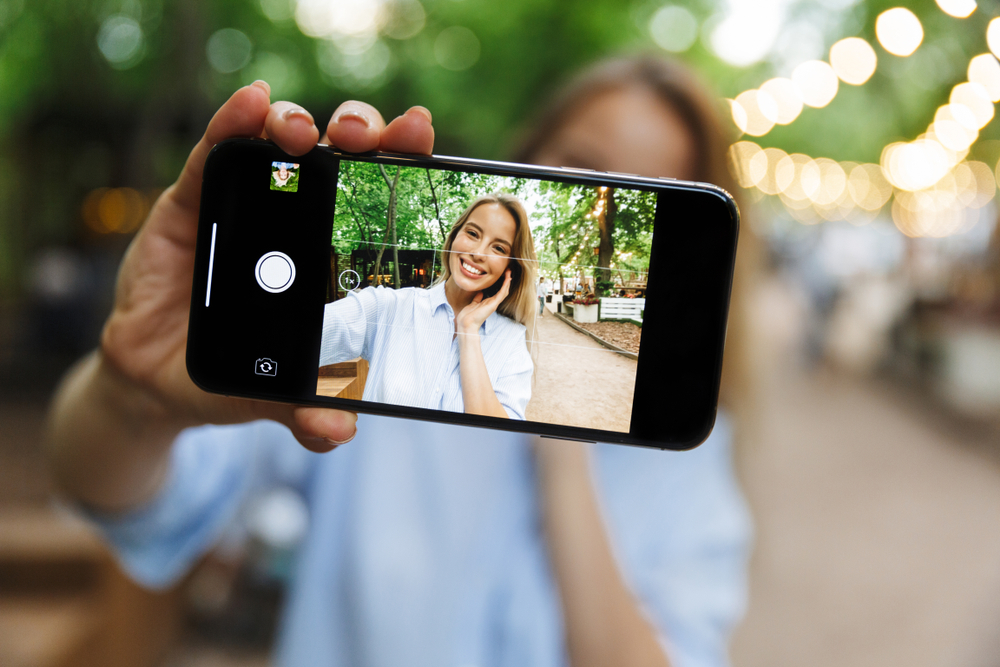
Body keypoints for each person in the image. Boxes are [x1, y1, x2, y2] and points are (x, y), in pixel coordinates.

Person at [46, 55, 754, 667]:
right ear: (524, 159)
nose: (612, 202)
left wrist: (563, 442)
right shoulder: (387, 330)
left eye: (655, 193)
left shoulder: (686, 452)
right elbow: (140, 507)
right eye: (579, 167)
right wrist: (131, 391)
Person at [319, 194, 537, 419]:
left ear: (510, 267)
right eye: (472, 234)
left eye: (499, 248)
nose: (478, 253)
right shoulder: (387, 307)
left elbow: (500, 442)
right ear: (454, 237)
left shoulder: (512, 340)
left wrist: (469, 331)